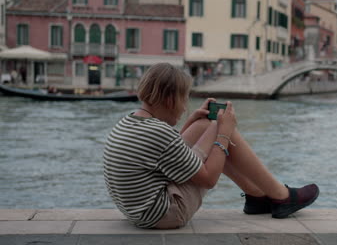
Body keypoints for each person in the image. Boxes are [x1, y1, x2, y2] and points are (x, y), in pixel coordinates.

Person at [103, 63, 319, 229]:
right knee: (219, 129)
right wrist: (223, 133)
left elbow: (166, 153)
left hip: (139, 210)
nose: (185, 106)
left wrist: (194, 122)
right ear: (170, 101)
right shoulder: (158, 132)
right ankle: (281, 196)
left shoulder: (131, 121)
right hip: (165, 213)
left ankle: (257, 196)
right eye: (184, 100)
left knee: (206, 124)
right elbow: (209, 179)